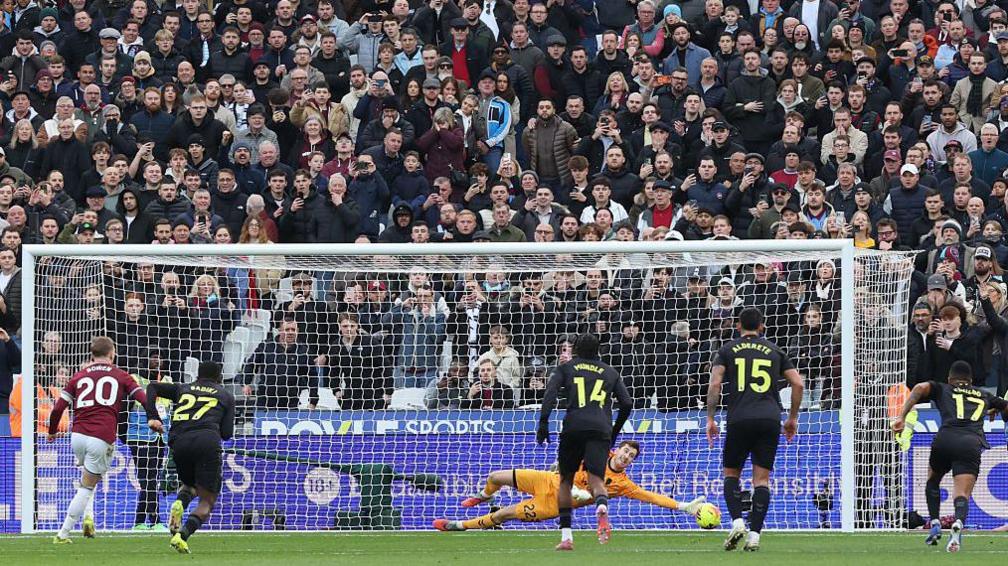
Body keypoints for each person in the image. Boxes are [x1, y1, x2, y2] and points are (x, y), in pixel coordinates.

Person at [433, 440, 705, 531]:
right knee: (495, 476)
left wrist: (684, 506)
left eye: (631, 456)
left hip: (552, 504)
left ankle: (458, 526)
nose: (626, 456)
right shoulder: (597, 455)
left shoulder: (622, 485)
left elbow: (651, 497)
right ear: (617, 450)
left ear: (631, 462)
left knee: (504, 514)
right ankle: (482, 496)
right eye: (625, 451)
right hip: (546, 480)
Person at [705, 307, 803, 552]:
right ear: (762, 327)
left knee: (731, 474)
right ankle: (755, 536)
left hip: (739, 418)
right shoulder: (776, 350)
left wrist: (710, 418)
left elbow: (715, 384)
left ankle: (738, 522)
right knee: (761, 480)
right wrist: (792, 418)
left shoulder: (727, 350)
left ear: (738, 326)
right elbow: (798, 383)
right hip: (769, 419)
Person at [892, 360, 1008, 552]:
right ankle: (958, 524)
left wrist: (901, 417)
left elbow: (919, 388)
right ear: (971, 380)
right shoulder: (984, 394)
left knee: (933, 481)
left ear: (949, 378)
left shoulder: (943, 389)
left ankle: (935, 522)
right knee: (961, 494)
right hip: (970, 444)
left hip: (944, 439)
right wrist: (995, 408)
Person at [536, 333, 633, 550]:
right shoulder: (610, 372)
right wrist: (614, 431)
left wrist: (543, 423)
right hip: (600, 429)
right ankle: (601, 505)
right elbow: (626, 403)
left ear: (576, 350)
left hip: (574, 427)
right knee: (596, 480)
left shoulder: (566, 368)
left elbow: (550, 394)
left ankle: (566, 537)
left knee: (565, 481)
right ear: (598, 351)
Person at [47, 336, 148, 543]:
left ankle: (88, 518)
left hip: (77, 436)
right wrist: (154, 417)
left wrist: (52, 431)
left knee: (88, 478)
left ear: (92, 355)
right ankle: (63, 533)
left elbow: (57, 408)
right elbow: (143, 398)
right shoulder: (121, 375)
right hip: (101, 436)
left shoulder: (78, 376)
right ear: (112, 353)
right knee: (87, 486)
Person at [145, 361, 235, 555]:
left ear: (197, 375)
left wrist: (153, 417)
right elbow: (227, 434)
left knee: (190, 485)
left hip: (179, 443)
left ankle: (179, 503)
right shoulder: (225, 395)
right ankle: (182, 536)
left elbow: (152, 387)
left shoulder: (183, 388)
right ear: (219, 378)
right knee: (207, 499)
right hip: (207, 442)